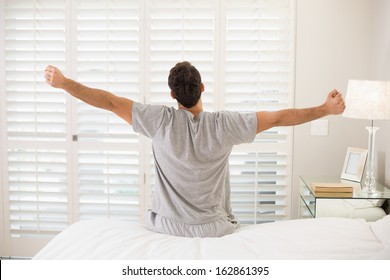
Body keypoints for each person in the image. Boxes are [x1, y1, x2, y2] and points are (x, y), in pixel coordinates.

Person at [44, 61, 346, 238]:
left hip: (167, 227)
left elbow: (108, 101)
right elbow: (281, 117)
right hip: (213, 229)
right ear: (202, 88)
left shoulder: (158, 120)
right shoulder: (225, 125)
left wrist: (65, 83)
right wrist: (325, 109)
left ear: (172, 94)